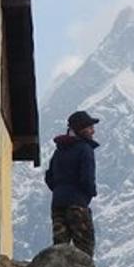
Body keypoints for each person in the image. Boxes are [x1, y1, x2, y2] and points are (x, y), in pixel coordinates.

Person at [45, 110, 100, 257]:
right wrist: (90, 192)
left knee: (60, 249)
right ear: (81, 128)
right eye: (90, 127)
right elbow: (87, 177)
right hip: (77, 205)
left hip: (57, 204)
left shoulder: (59, 151)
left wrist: (59, 190)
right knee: (84, 249)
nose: (93, 131)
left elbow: (49, 177)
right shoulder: (85, 149)